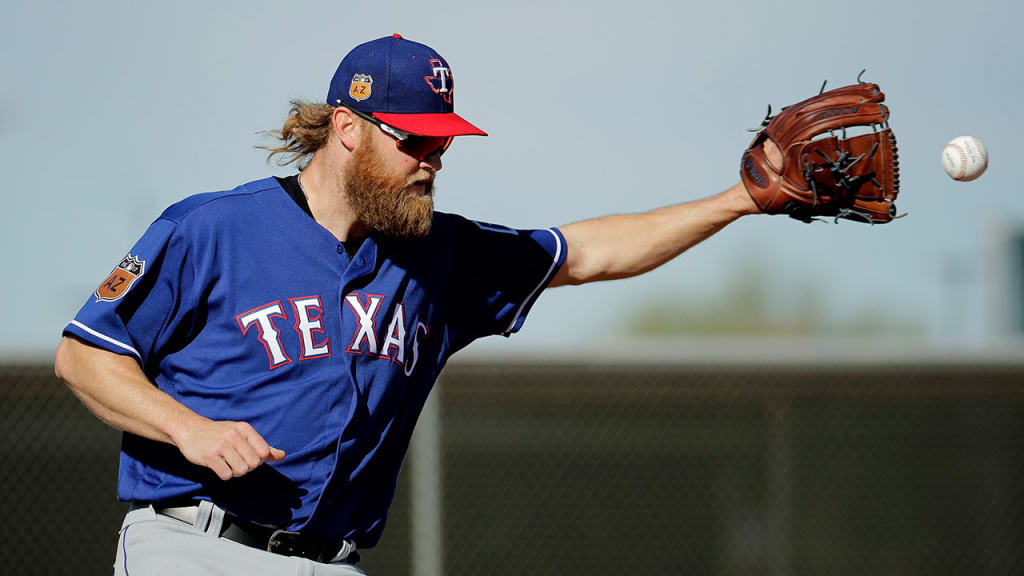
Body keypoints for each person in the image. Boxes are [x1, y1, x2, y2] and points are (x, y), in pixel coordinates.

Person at [54, 34, 762, 575]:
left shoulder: (438, 254)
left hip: (333, 559)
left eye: (442, 141)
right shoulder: (212, 229)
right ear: (348, 127)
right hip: (196, 546)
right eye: (414, 139)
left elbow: (588, 252)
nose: (433, 159)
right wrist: (188, 429)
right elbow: (84, 355)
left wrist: (740, 200)